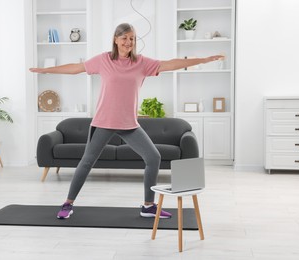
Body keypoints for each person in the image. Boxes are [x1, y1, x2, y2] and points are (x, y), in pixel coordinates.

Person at [30, 23, 224, 219]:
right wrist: (46, 71)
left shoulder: (141, 63)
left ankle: (148, 206)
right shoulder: (103, 60)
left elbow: (171, 64)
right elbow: (76, 68)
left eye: (132, 38)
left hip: (129, 124)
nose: (128, 42)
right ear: (115, 39)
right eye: (124, 38)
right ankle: (68, 203)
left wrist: (204, 59)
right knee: (87, 162)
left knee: (153, 157)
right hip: (104, 122)